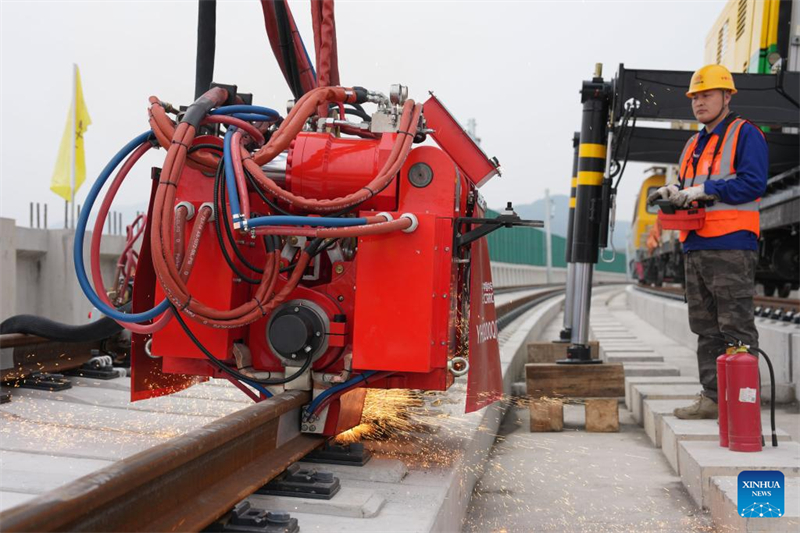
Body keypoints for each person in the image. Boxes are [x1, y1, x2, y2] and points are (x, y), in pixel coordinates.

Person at [648, 64, 768, 419]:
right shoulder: (693, 143)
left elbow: (752, 183)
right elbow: (689, 185)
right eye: (695, 97)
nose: (699, 103)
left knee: (736, 327)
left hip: (731, 243)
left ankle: (744, 404)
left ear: (727, 96)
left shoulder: (746, 134)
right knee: (705, 328)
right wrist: (675, 192)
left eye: (707, 95)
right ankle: (714, 398)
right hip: (695, 244)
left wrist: (706, 190)